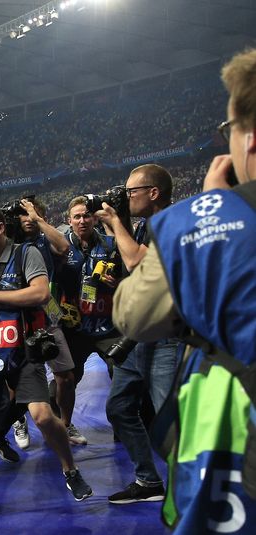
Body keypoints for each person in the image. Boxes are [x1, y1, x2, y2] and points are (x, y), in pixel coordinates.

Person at [113, 48, 256, 533]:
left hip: (239, 458)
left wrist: (206, 211)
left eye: (227, 131)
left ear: (250, 142)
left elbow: (134, 315)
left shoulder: (207, 222)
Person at [0, 202, 92, 521]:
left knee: (44, 417)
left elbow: (40, 294)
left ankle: (70, 470)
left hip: (23, 349)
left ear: (0, 228)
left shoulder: (25, 253)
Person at [93, 164, 180, 504]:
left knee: (170, 417)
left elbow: (139, 265)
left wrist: (115, 223)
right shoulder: (145, 226)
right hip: (138, 337)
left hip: (166, 337)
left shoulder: (170, 223)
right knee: (119, 407)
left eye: (132, 192)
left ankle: (188, 488)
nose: (126, 198)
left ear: (153, 193)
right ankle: (148, 480)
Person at [54, 196, 123, 443]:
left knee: (123, 372)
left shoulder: (111, 244)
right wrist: (56, 316)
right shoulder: (58, 247)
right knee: (67, 380)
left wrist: (118, 284)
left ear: (94, 218)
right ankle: (61, 422)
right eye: (77, 216)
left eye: (86, 215)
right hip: (75, 328)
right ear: (68, 220)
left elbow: (129, 276)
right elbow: (46, 287)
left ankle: (123, 425)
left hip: (107, 325)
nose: (82, 220)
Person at [15, 198, 74, 450]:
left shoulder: (43, 239)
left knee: (66, 375)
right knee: (13, 377)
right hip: (18, 317)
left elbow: (64, 247)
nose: (29, 219)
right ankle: (19, 421)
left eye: (34, 214)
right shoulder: (10, 242)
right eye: (24, 215)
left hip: (48, 310)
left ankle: (66, 423)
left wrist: (38, 220)